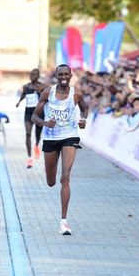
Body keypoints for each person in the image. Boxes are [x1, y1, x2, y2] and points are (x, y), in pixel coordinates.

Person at [31, 64, 88, 235]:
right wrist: (44, 123)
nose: (63, 77)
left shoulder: (76, 93)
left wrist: (83, 119)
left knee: (65, 177)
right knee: (51, 181)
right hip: (50, 138)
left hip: (70, 136)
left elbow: (85, 107)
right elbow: (34, 116)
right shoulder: (48, 93)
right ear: (56, 76)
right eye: (60, 74)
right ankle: (52, 178)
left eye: (66, 74)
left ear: (71, 75)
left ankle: (63, 222)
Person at [16, 69, 46, 169]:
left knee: (38, 133)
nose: (32, 76)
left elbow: (47, 98)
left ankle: (37, 144)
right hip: (28, 113)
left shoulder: (42, 86)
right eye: (31, 74)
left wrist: (39, 91)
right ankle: (29, 158)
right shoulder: (26, 86)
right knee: (28, 133)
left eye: (34, 74)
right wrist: (19, 102)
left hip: (39, 113)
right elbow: (24, 94)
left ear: (38, 76)